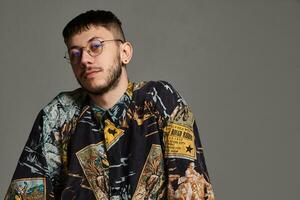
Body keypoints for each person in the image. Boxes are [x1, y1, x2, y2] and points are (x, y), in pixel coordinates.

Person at [5, 10, 214, 199]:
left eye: (95, 46)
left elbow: (190, 187)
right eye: (74, 54)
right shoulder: (57, 116)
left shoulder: (160, 101)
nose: (84, 59)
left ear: (125, 53)